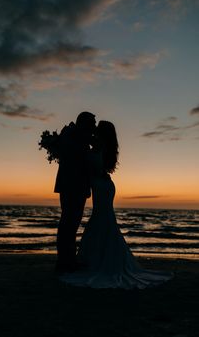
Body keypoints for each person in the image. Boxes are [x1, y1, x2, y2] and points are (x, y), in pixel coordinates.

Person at [60, 120, 173, 288]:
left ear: (102, 132)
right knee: (104, 218)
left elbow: (93, 165)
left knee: (101, 217)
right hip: (105, 185)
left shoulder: (97, 144)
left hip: (100, 184)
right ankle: (99, 258)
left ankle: (98, 261)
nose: (95, 129)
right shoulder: (105, 145)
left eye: (98, 128)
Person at [54, 111, 96, 273]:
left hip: (73, 185)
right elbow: (78, 160)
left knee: (70, 224)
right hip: (72, 185)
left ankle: (67, 260)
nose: (94, 126)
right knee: (68, 223)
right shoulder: (74, 136)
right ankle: (65, 261)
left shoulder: (76, 135)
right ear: (84, 123)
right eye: (92, 123)